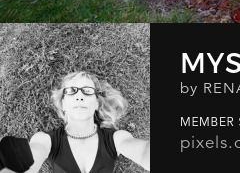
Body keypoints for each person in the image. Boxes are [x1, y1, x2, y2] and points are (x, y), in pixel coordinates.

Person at [20, 70, 150, 173]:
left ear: (97, 103)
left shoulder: (116, 139)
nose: (79, 96)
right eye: (71, 91)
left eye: (87, 91)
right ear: (63, 103)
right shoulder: (45, 140)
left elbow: (144, 152)